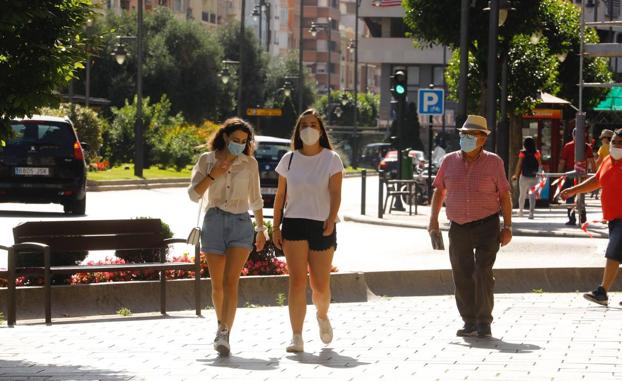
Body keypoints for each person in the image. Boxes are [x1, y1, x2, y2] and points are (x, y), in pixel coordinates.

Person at [187, 117, 267, 356]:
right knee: (217, 284)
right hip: (213, 221)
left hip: (241, 223)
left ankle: (224, 333)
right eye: (235, 140)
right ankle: (221, 327)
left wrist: (261, 230)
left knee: (231, 281)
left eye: (244, 141)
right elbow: (193, 195)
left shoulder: (249, 163)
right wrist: (214, 173)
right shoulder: (206, 160)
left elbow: (256, 198)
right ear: (224, 137)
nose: (239, 145)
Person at [428, 115, 512, 338]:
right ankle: (469, 320)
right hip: (458, 226)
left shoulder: (494, 162)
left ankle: (484, 320)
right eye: (463, 134)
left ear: (483, 139)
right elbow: (439, 191)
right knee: (462, 273)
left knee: (483, 271)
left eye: (472, 135)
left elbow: (504, 195)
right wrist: (433, 221)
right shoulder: (448, 161)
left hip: (488, 225)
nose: (466, 139)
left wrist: (508, 227)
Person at [272, 109, 344, 353]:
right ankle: (296, 336)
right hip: (293, 223)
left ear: (321, 129)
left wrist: (332, 219)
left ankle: (322, 315)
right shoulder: (289, 159)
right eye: (304, 125)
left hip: (322, 224)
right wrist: (275, 225)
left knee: (320, 286)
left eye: (313, 124)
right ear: (298, 130)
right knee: (296, 281)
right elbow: (280, 195)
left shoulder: (331, 159)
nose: (309, 129)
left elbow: (335, 193)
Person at [560, 129, 622, 306]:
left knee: (613, 252)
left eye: (620, 143)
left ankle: (602, 292)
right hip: (613, 217)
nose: (616, 146)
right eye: (614, 142)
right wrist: (573, 190)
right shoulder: (607, 161)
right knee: (618, 252)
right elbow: (596, 180)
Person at [558, 128, 595, 226]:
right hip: (583, 175)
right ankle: (582, 217)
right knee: (581, 196)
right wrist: (594, 173)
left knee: (569, 196)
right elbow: (592, 162)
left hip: (570, 174)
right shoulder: (587, 147)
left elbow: (562, 162)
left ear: (573, 135)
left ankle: (572, 218)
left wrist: (559, 174)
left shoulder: (568, 146)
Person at [511, 136, 542, 219]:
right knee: (532, 195)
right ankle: (531, 213)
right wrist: (540, 175)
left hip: (524, 176)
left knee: (522, 195)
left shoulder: (522, 153)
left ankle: (521, 211)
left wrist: (516, 175)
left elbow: (519, 165)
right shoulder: (537, 153)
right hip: (534, 177)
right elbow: (540, 164)